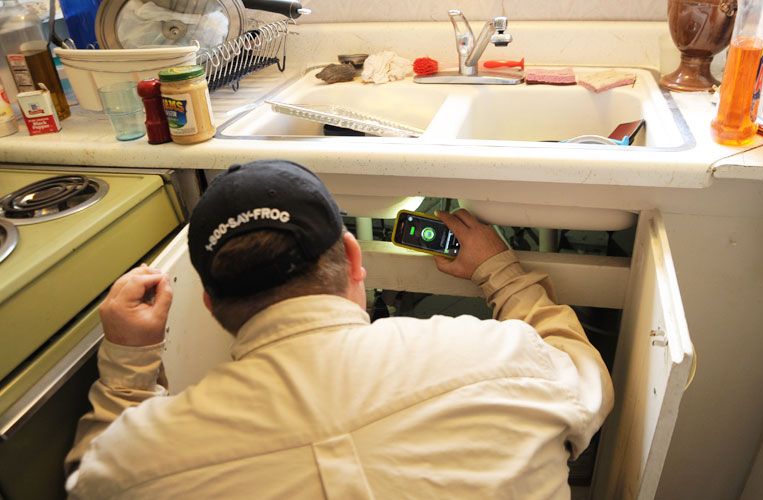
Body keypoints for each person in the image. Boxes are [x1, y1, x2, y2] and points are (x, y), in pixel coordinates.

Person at [64, 159, 613, 499]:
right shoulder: (503, 357)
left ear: (207, 302)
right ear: (354, 258)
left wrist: (127, 369)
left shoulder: (137, 463)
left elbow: (91, 481)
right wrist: (501, 271)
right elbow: (584, 369)